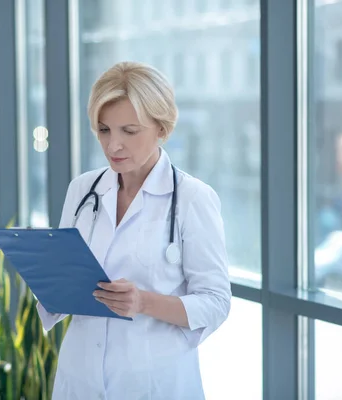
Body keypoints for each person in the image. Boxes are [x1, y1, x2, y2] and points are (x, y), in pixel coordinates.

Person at [36, 61, 232, 400]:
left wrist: (142, 301)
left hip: (153, 383)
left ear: (161, 128)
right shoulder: (83, 190)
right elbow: (64, 280)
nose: (114, 146)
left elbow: (216, 302)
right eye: (104, 130)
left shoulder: (192, 198)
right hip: (79, 378)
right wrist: (51, 285)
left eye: (129, 131)